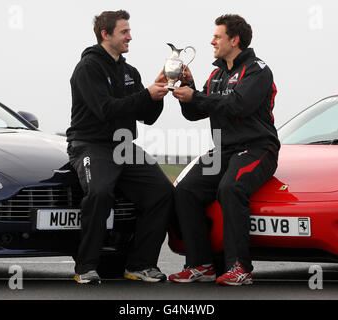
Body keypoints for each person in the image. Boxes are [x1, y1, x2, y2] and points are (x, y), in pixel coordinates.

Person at [169, 14, 280, 286]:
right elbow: (195, 112)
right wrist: (189, 87)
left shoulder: (258, 70)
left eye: (217, 37)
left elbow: (239, 106)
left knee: (231, 188)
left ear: (234, 39)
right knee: (185, 189)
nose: (212, 41)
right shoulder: (217, 73)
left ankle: (239, 267)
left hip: (258, 148)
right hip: (224, 150)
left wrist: (198, 96)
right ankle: (201, 265)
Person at [66, 10, 173, 284]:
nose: (130, 36)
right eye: (124, 31)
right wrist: (144, 94)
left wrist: (158, 93)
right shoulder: (88, 67)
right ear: (106, 34)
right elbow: (105, 110)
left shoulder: (129, 72)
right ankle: (85, 267)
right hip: (90, 145)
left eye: (129, 30)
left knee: (162, 192)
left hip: (124, 146)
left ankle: (140, 265)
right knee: (100, 193)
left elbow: (146, 115)